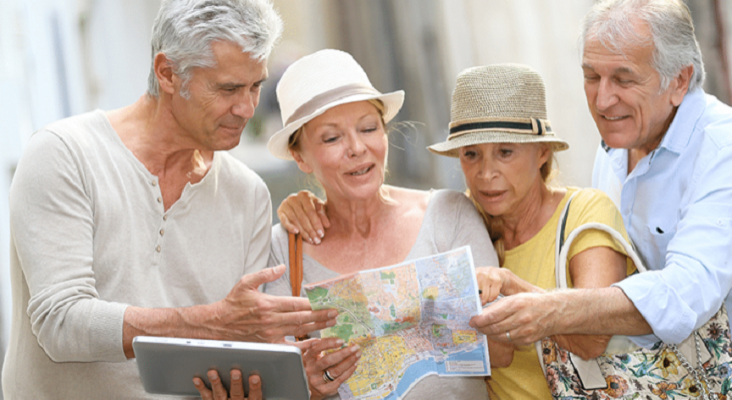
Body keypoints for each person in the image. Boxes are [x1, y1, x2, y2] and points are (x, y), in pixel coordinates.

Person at [2, 1, 337, 399]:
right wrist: (211, 323)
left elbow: (240, 353)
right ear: (167, 73)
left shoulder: (248, 195)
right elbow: (61, 324)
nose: (246, 108)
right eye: (228, 88)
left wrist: (284, 375)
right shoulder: (63, 155)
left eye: (255, 86)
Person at [277, 62, 637, 399]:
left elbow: (592, 339)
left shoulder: (585, 212)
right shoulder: (467, 213)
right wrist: (298, 203)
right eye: (471, 155)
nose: (486, 173)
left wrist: (510, 284)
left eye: (506, 152)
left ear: (542, 152)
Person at [470, 0, 732, 370]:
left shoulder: (722, 150)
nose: (603, 100)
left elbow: (683, 295)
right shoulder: (616, 144)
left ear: (679, 80)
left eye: (624, 79)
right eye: (592, 76)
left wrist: (550, 308)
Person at [263, 48, 501, 400]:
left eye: (369, 128)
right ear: (300, 156)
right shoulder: (283, 247)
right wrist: (307, 384)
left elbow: (505, 350)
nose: (357, 147)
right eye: (332, 137)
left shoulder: (449, 213)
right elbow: (278, 386)